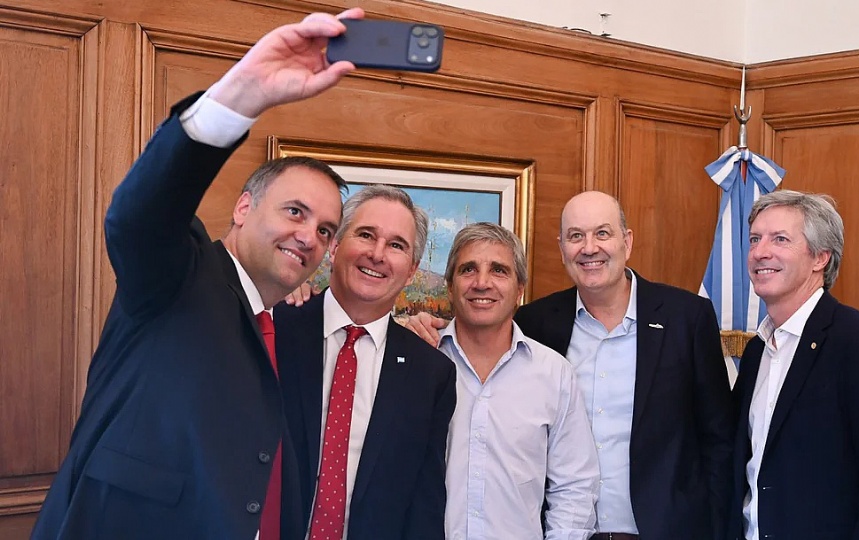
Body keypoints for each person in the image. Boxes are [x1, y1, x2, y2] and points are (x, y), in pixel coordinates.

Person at [31, 8, 363, 540]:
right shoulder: (178, 272)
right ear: (243, 207)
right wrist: (243, 95)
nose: (309, 236)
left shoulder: (279, 323)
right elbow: (139, 213)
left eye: (325, 230)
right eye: (295, 212)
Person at [407, 191, 735, 540]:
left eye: (602, 233)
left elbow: (719, 440)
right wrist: (417, 328)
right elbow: (483, 330)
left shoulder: (686, 317)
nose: (589, 248)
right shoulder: (536, 322)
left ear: (627, 242)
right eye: (576, 236)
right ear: (562, 248)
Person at [728, 190, 859, 540]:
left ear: (820, 257)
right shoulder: (757, 351)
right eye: (755, 239)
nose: (760, 252)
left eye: (780, 239)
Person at [273, 185, 456, 540]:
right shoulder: (276, 329)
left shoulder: (431, 374)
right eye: (366, 235)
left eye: (396, 245)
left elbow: (425, 504)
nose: (377, 254)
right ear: (335, 246)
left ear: (412, 270)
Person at [438, 223, 599, 540]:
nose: (482, 283)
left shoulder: (553, 373)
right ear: (450, 286)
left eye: (499, 270)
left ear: (520, 288)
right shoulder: (422, 362)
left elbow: (575, 486)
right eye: (468, 269)